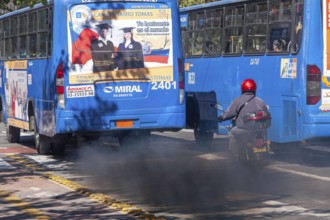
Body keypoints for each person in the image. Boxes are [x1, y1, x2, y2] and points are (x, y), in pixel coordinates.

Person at [218, 79, 270, 154]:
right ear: (254, 88)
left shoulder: (238, 100)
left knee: (232, 132)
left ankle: (234, 155)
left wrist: (222, 117)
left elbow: (230, 113)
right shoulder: (260, 101)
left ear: (242, 88)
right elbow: (266, 112)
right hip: (259, 130)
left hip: (244, 130)